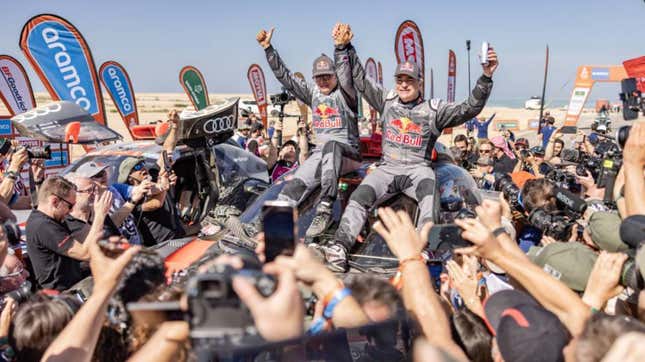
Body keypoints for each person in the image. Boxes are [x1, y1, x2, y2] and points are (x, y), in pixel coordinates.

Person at [317, 23, 497, 271]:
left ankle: (423, 250)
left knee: (428, 197)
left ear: (419, 83)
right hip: (388, 169)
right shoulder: (387, 101)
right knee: (359, 196)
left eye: (409, 80)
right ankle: (340, 246)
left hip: (417, 170)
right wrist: (344, 47)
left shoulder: (434, 110)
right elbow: (359, 78)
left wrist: (486, 77)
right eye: (400, 79)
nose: (403, 84)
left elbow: (470, 109)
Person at [256, 23, 362, 237]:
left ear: (335, 76)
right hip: (322, 154)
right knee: (296, 182)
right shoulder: (313, 94)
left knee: (332, 147)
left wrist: (341, 48)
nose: (323, 80)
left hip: (348, 153)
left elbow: (346, 73)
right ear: (313, 79)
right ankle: (265, 225)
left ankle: (324, 208)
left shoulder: (346, 94)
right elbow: (286, 78)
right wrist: (268, 49)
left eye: (327, 76)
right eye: (319, 77)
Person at [25, 176, 112, 291]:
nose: (71, 211)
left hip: (74, 284)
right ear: (54, 201)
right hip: (62, 295)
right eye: (70, 206)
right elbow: (85, 254)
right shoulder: (43, 225)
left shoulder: (52, 219)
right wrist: (100, 215)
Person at [113, 157, 184, 246]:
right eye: (137, 167)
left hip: (179, 234)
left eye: (142, 164)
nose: (143, 168)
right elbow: (156, 204)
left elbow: (163, 155)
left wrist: (167, 161)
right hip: (162, 244)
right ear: (130, 178)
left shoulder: (154, 179)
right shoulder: (133, 199)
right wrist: (164, 183)